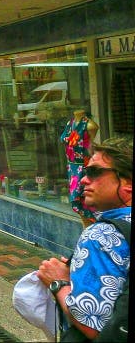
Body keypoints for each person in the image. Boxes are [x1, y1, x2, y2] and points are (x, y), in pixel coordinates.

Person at [36, 136, 131, 341]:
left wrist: (59, 283)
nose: (83, 179)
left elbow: (92, 326)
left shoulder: (101, 236)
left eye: (95, 172)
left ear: (128, 183)